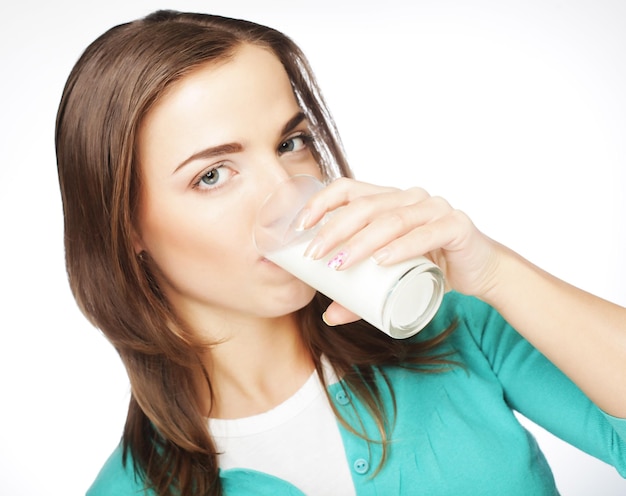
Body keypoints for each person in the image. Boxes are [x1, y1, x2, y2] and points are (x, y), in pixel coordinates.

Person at [55, 9, 626, 496]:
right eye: (212, 175)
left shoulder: (452, 328)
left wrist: (497, 273)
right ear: (125, 225)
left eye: (290, 143)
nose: (283, 194)